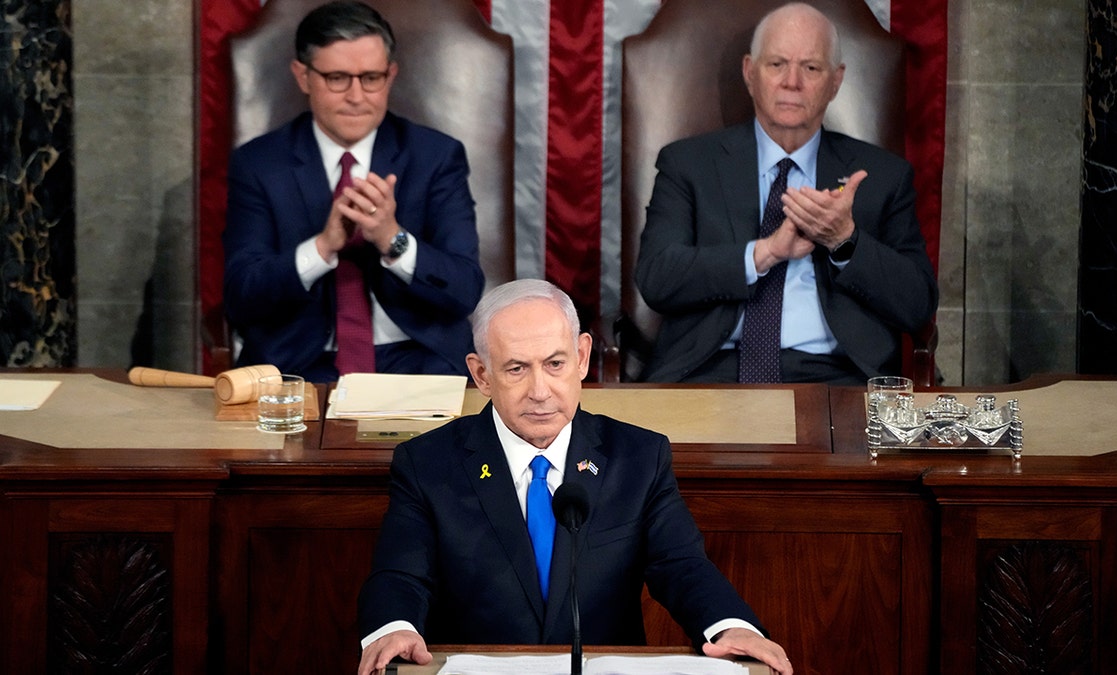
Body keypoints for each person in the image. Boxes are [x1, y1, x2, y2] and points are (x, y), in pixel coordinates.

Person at [357, 279, 793, 675]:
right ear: (481, 375)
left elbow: (681, 566)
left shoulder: (638, 457)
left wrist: (730, 625)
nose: (540, 390)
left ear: (582, 357)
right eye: (516, 369)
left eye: (555, 363)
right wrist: (393, 629)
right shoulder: (427, 463)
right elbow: (401, 574)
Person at [634, 2, 937, 385]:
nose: (792, 81)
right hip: (710, 371)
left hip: (836, 380)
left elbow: (917, 306)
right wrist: (764, 254)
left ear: (835, 81)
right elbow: (657, 278)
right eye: (777, 64)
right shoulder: (689, 164)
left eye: (810, 68)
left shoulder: (882, 176)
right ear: (749, 72)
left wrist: (845, 241)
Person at [223, 0, 484, 383]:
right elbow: (241, 297)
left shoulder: (436, 157)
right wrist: (323, 247)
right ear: (303, 76)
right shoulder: (259, 164)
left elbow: (464, 290)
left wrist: (391, 239)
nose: (357, 96)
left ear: (390, 75)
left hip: (418, 359)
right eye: (337, 78)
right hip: (298, 366)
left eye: (371, 78)